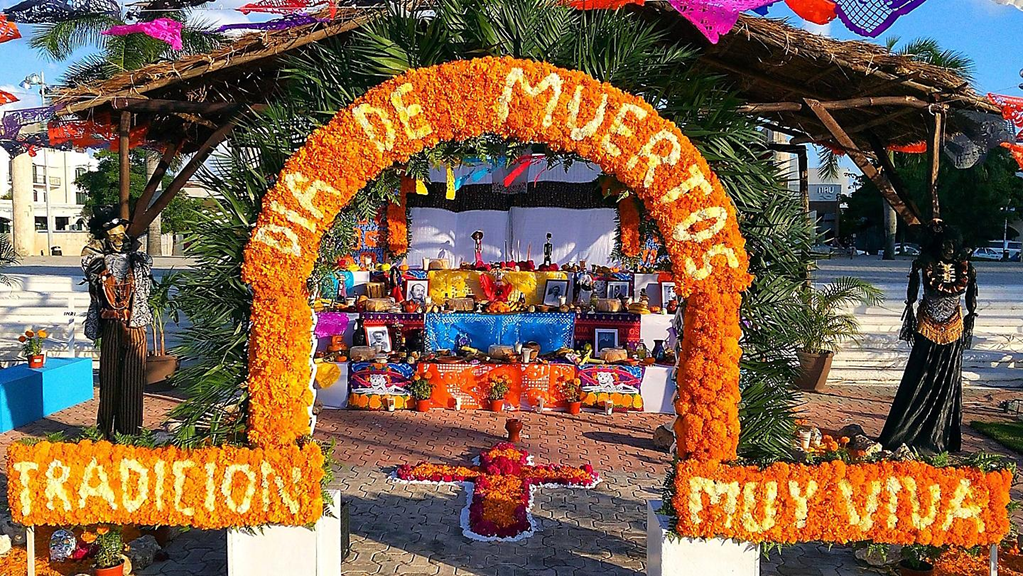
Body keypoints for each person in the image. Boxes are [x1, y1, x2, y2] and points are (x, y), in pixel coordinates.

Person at [879, 221, 977, 454]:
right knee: (919, 376)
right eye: (944, 244)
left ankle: (940, 434)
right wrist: (910, 310)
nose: (948, 249)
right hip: (927, 328)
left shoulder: (965, 267)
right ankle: (907, 431)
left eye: (952, 245)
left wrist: (971, 316)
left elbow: (970, 294)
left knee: (947, 380)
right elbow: (915, 292)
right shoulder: (925, 264)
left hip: (953, 329)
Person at [81, 206, 153, 438]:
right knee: (109, 377)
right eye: (112, 236)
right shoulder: (94, 260)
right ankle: (105, 432)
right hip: (111, 324)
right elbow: (92, 272)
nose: (118, 241)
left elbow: (144, 282)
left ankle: (130, 433)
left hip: (134, 324)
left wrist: (132, 256)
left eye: (121, 234)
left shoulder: (140, 260)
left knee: (133, 378)